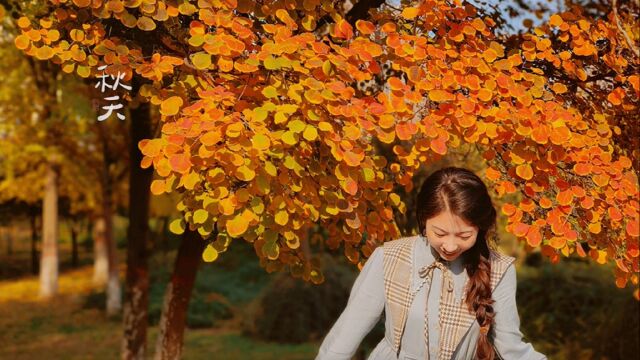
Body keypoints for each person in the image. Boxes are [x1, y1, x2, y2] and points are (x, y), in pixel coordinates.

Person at [315, 166, 547, 360]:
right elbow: (346, 335)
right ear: (424, 220)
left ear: (480, 227)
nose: (450, 245)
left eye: (464, 236)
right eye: (440, 233)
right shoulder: (391, 257)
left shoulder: (499, 270)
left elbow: (512, 349)